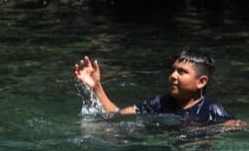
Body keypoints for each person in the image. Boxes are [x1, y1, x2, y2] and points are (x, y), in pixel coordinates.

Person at [73, 50, 239, 125]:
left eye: (182, 72)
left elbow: (237, 127)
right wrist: (97, 87)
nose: (173, 75)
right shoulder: (159, 103)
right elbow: (117, 115)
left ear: (201, 82)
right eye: (173, 70)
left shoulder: (212, 110)